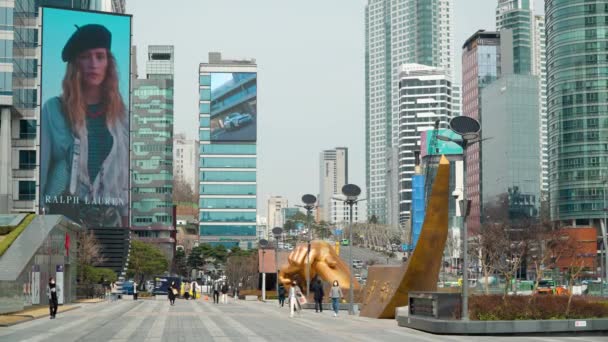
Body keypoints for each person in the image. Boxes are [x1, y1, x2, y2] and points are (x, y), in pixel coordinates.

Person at [40, 24, 129, 228]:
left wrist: (126, 229)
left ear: (109, 63)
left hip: (109, 222)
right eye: (85, 56)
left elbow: (125, 184)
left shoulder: (122, 116)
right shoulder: (53, 110)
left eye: (100, 56)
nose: (93, 64)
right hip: (64, 219)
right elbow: (42, 172)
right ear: (75, 64)